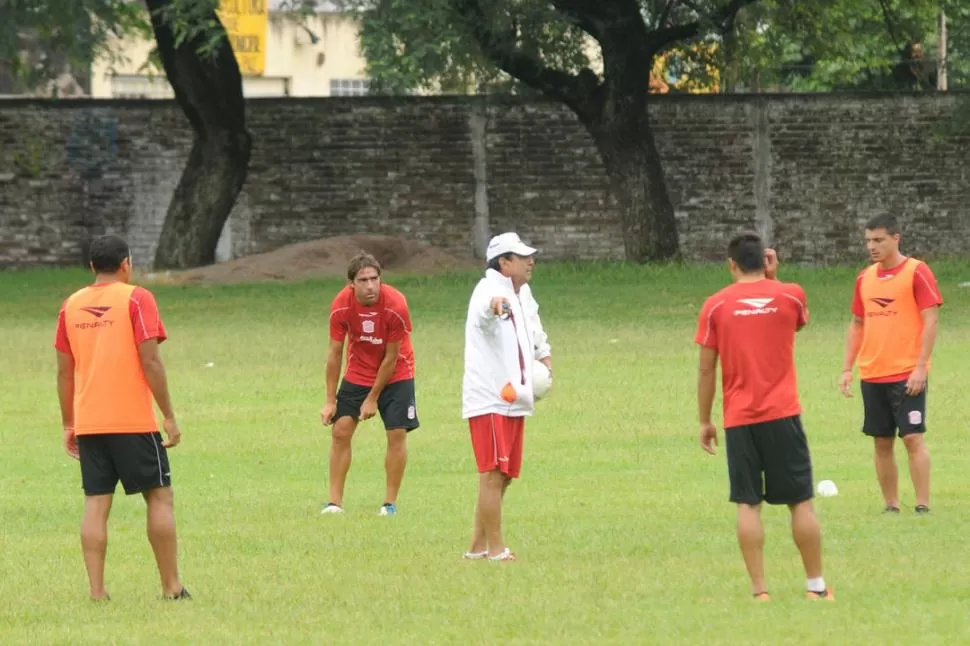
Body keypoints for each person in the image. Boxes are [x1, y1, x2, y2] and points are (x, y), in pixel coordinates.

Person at [695, 232, 832, 601]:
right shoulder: (791, 295)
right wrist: (774, 280)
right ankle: (816, 587)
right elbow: (796, 322)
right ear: (765, 260)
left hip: (739, 419)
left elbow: (707, 370)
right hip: (783, 414)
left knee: (747, 503)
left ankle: (760, 592)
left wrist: (705, 420)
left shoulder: (715, 306)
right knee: (800, 501)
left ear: (731, 264)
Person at [54, 234, 189, 602]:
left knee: (96, 504)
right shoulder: (137, 298)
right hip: (133, 422)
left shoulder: (71, 305)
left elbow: (65, 372)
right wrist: (170, 416)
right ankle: (171, 587)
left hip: (90, 424)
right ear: (126, 263)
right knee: (159, 498)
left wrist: (70, 424)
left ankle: (97, 593)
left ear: (93, 267)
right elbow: (150, 361)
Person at [839, 214, 943, 514]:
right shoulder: (865, 277)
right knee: (881, 442)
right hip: (873, 374)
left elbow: (931, 319)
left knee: (912, 437)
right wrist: (848, 367)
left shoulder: (916, 272)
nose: (872, 246)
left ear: (896, 238)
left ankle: (922, 504)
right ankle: (891, 505)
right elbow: (857, 324)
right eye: (868, 240)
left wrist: (921, 366)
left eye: (879, 240)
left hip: (907, 373)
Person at [461, 232, 552, 562]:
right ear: (504, 263)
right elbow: (488, 310)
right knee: (492, 472)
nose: (531, 261)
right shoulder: (489, 290)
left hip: (515, 396)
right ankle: (496, 549)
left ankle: (476, 547)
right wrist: (495, 306)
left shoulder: (522, 291)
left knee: (506, 475)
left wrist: (544, 355)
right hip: (490, 396)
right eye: (522, 257)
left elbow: (534, 327)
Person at [321, 252, 418, 516]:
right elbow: (334, 353)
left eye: (375, 279)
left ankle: (389, 504)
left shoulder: (396, 304)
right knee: (340, 431)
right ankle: (334, 503)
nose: (370, 285)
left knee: (396, 434)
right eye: (363, 280)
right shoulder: (341, 305)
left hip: (397, 371)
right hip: (359, 371)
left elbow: (391, 356)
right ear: (351, 283)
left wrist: (373, 398)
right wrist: (330, 400)